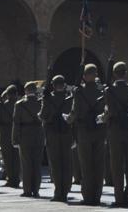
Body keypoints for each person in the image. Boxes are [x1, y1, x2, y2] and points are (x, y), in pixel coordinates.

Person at [69, 64, 108, 205]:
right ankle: (97, 196)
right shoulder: (102, 91)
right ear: (95, 75)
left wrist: (69, 119)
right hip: (99, 131)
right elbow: (107, 111)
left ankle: (88, 196)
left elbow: (75, 112)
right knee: (98, 165)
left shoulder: (79, 92)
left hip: (84, 131)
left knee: (86, 165)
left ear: (85, 76)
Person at [105, 62, 128, 207]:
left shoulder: (109, 91)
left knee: (117, 165)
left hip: (115, 131)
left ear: (114, 74)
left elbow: (109, 112)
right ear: (125, 74)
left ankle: (119, 198)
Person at [40, 74, 74, 202]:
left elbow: (43, 115)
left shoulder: (48, 99)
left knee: (55, 163)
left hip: (52, 133)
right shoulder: (70, 98)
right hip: (66, 133)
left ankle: (58, 191)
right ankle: (65, 191)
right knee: (66, 163)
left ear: (53, 86)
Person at [13, 81, 44, 197]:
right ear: (35, 91)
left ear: (25, 91)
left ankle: (27, 190)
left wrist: (15, 139)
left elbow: (16, 123)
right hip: (38, 135)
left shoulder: (19, 104)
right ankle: (36, 189)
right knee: (37, 163)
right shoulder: (41, 102)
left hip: (25, 136)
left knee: (26, 164)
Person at [0, 85, 21, 188]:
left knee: (7, 159)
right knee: (17, 158)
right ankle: (17, 178)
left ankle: (10, 179)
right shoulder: (20, 104)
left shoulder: (2, 106)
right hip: (18, 133)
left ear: (7, 94)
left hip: (5, 134)